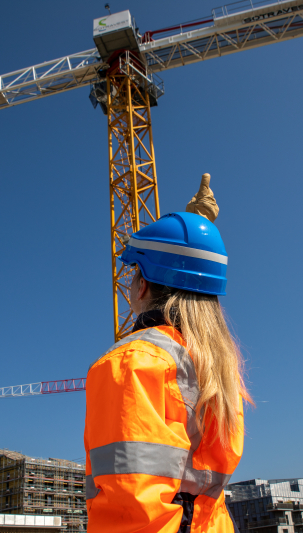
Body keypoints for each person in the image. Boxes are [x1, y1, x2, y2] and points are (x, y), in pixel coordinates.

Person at [84, 185, 253, 532]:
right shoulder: (217, 368)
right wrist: (196, 226)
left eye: (133, 273)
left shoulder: (131, 362)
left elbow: (133, 512)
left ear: (143, 285)